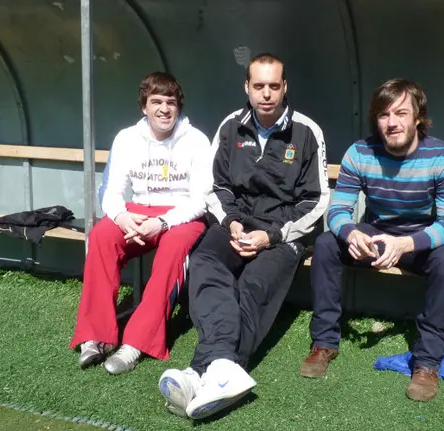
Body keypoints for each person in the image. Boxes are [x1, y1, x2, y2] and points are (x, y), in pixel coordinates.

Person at [158, 53, 330, 420]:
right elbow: (216, 186)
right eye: (258, 86)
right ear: (247, 88)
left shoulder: (306, 131)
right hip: (237, 224)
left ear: (284, 88)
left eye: (273, 86)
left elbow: (316, 201)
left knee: (252, 285)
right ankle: (222, 369)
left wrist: (272, 236)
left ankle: (201, 371)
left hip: (284, 235)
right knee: (204, 259)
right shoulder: (231, 126)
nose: (266, 94)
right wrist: (232, 222)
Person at [299, 78, 444, 402]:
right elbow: (338, 211)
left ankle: (427, 363)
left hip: (418, 240)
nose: (392, 123)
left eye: (401, 113)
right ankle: (324, 343)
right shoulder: (360, 152)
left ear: (418, 116)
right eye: (383, 115)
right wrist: (352, 233)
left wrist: (406, 243)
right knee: (325, 245)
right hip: (374, 232)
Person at [69, 72, 212, 375]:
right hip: (137, 212)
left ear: (179, 106)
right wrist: (121, 217)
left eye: (170, 102)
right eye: (156, 101)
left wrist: (162, 221)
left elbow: (201, 199)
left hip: (182, 215)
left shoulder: (196, 140)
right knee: (102, 236)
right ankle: (95, 336)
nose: (164, 109)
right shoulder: (126, 138)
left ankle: (136, 342)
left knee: (173, 247)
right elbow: (110, 190)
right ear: (144, 107)